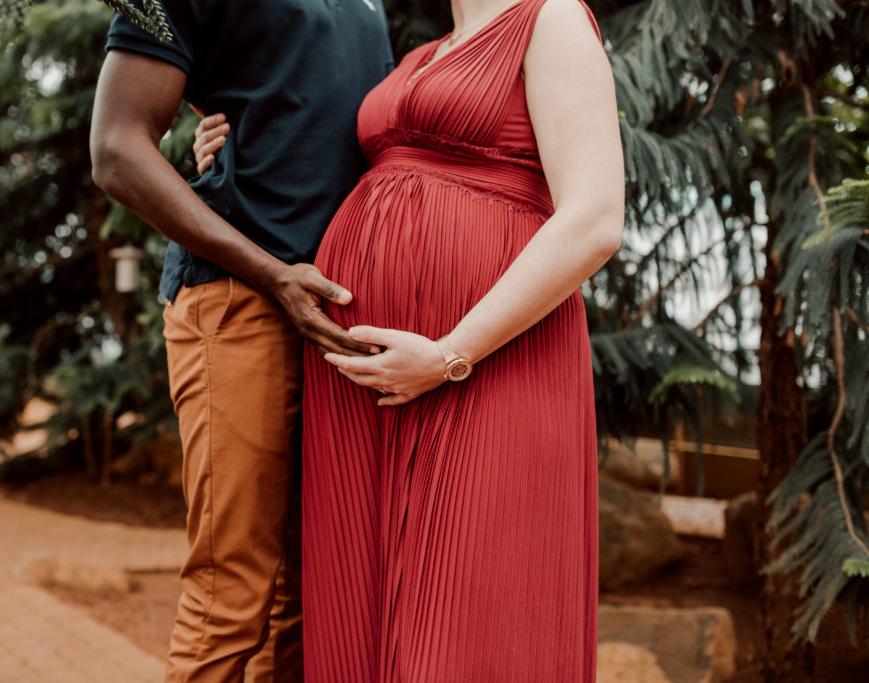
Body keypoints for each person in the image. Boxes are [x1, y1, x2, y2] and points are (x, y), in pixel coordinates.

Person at [198, 0, 623, 679]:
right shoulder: (419, 55)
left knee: (473, 606)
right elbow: (316, 146)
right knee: (359, 608)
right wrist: (233, 143)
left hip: (489, 362)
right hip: (364, 382)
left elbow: (596, 217)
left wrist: (452, 352)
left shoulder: (551, 16)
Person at [88, 1, 394, 681]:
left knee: (310, 594)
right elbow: (115, 149)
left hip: (336, 313)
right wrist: (273, 272)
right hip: (239, 297)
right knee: (232, 596)